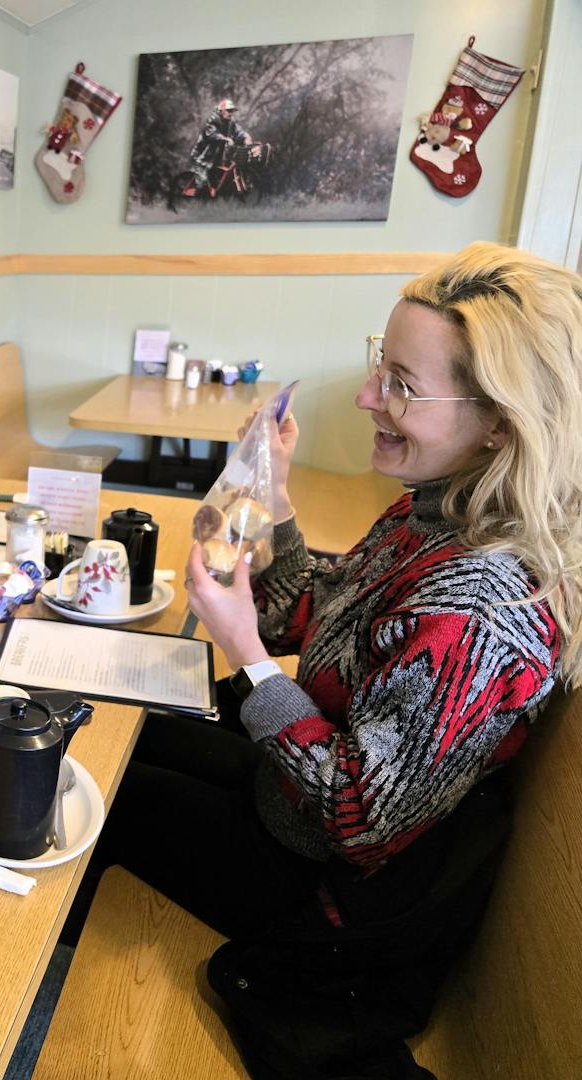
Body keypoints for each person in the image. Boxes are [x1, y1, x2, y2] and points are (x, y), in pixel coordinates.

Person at [93, 243, 582, 1077]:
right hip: (283, 797)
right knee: (112, 729)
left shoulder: (480, 612)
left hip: (323, 891)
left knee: (99, 794)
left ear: (501, 419)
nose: (365, 398)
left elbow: (357, 817)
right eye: (377, 366)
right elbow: (319, 609)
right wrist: (278, 498)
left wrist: (245, 653)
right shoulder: (439, 512)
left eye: (402, 385)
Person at [184, 97, 256, 197]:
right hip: (202, 157)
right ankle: (193, 200)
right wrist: (226, 139)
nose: (230, 113)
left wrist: (246, 137)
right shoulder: (212, 120)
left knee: (218, 184)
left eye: (232, 111)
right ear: (222, 110)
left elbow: (239, 132)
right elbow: (212, 134)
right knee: (203, 182)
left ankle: (212, 203)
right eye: (228, 111)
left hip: (216, 160)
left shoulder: (231, 122)